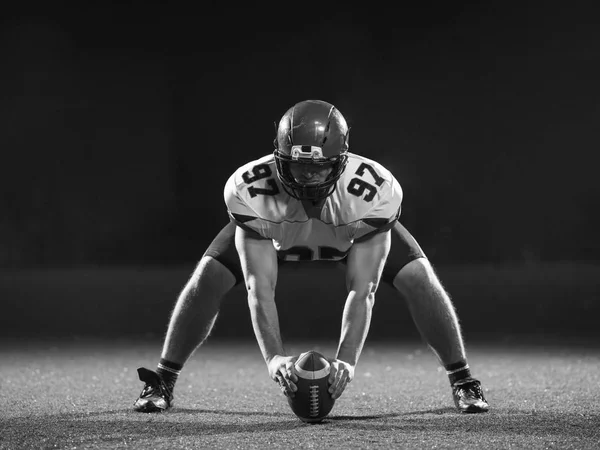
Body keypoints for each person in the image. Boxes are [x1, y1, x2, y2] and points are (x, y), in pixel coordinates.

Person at [133, 99, 489, 414]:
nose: (307, 177)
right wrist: (274, 358)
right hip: (277, 231)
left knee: (419, 278)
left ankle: (463, 380)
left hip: (348, 231)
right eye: (298, 166)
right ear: (279, 157)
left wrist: (347, 361)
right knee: (208, 277)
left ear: (341, 160)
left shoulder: (371, 195)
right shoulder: (252, 192)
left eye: (319, 167)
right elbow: (259, 288)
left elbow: (362, 289)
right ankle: (164, 379)